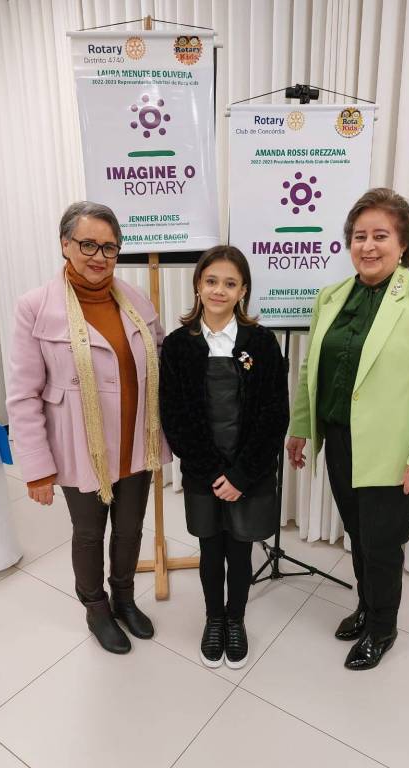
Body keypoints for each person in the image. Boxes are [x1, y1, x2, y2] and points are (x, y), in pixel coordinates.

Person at [287, 188, 409, 670]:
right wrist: (301, 427)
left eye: (380, 236)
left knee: (382, 545)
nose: (368, 246)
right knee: (358, 535)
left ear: (403, 244)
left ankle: (383, 628)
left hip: (393, 450)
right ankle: (366, 607)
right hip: (340, 440)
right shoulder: (331, 296)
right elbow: (311, 370)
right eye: (359, 236)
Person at [7, 201, 170, 655]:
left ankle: (124, 598)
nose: (99, 256)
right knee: (88, 533)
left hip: (136, 442)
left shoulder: (136, 300)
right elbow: (22, 394)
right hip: (82, 449)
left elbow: (161, 362)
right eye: (88, 245)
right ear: (65, 245)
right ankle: (96, 608)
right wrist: (37, 468)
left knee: (130, 529)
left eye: (109, 247)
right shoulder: (35, 307)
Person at [160, 246, 289, 669]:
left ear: (243, 291)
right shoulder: (178, 346)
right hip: (203, 471)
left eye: (230, 283)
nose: (219, 290)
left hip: (248, 471)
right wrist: (215, 473)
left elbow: (274, 415)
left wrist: (240, 475)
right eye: (211, 281)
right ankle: (214, 618)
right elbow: (176, 417)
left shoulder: (262, 343)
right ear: (198, 285)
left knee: (240, 549)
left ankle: (236, 619)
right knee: (210, 549)